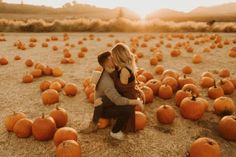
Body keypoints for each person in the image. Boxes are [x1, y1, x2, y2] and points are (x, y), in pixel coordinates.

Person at [80, 51, 143, 140]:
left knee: (105, 100)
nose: (114, 58)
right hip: (104, 109)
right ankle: (115, 132)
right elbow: (118, 100)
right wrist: (136, 101)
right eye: (111, 58)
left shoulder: (115, 69)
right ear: (106, 63)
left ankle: (99, 121)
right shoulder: (106, 81)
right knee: (128, 109)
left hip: (107, 101)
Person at [110, 43, 144, 132]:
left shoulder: (124, 71)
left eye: (112, 57)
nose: (111, 59)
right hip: (126, 93)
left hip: (127, 96)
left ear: (118, 57)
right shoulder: (122, 67)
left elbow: (122, 89)